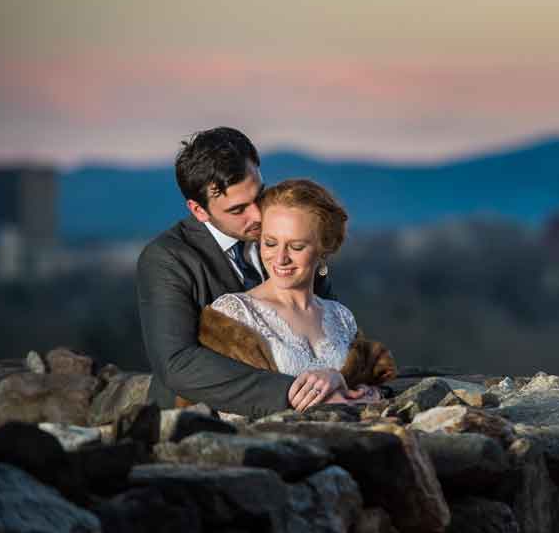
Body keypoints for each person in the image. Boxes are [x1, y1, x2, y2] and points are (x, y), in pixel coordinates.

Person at [137, 127, 337, 415]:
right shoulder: (166, 259)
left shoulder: (287, 230)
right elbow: (178, 362)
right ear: (199, 210)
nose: (257, 215)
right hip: (199, 425)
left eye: (260, 195)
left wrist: (337, 375)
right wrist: (292, 392)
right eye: (237, 209)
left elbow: (332, 321)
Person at [203, 179, 385, 410]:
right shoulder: (232, 314)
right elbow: (227, 407)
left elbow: (373, 392)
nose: (280, 259)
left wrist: (339, 379)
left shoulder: (341, 316)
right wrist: (338, 398)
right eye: (270, 243)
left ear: (324, 248)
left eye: (296, 247)